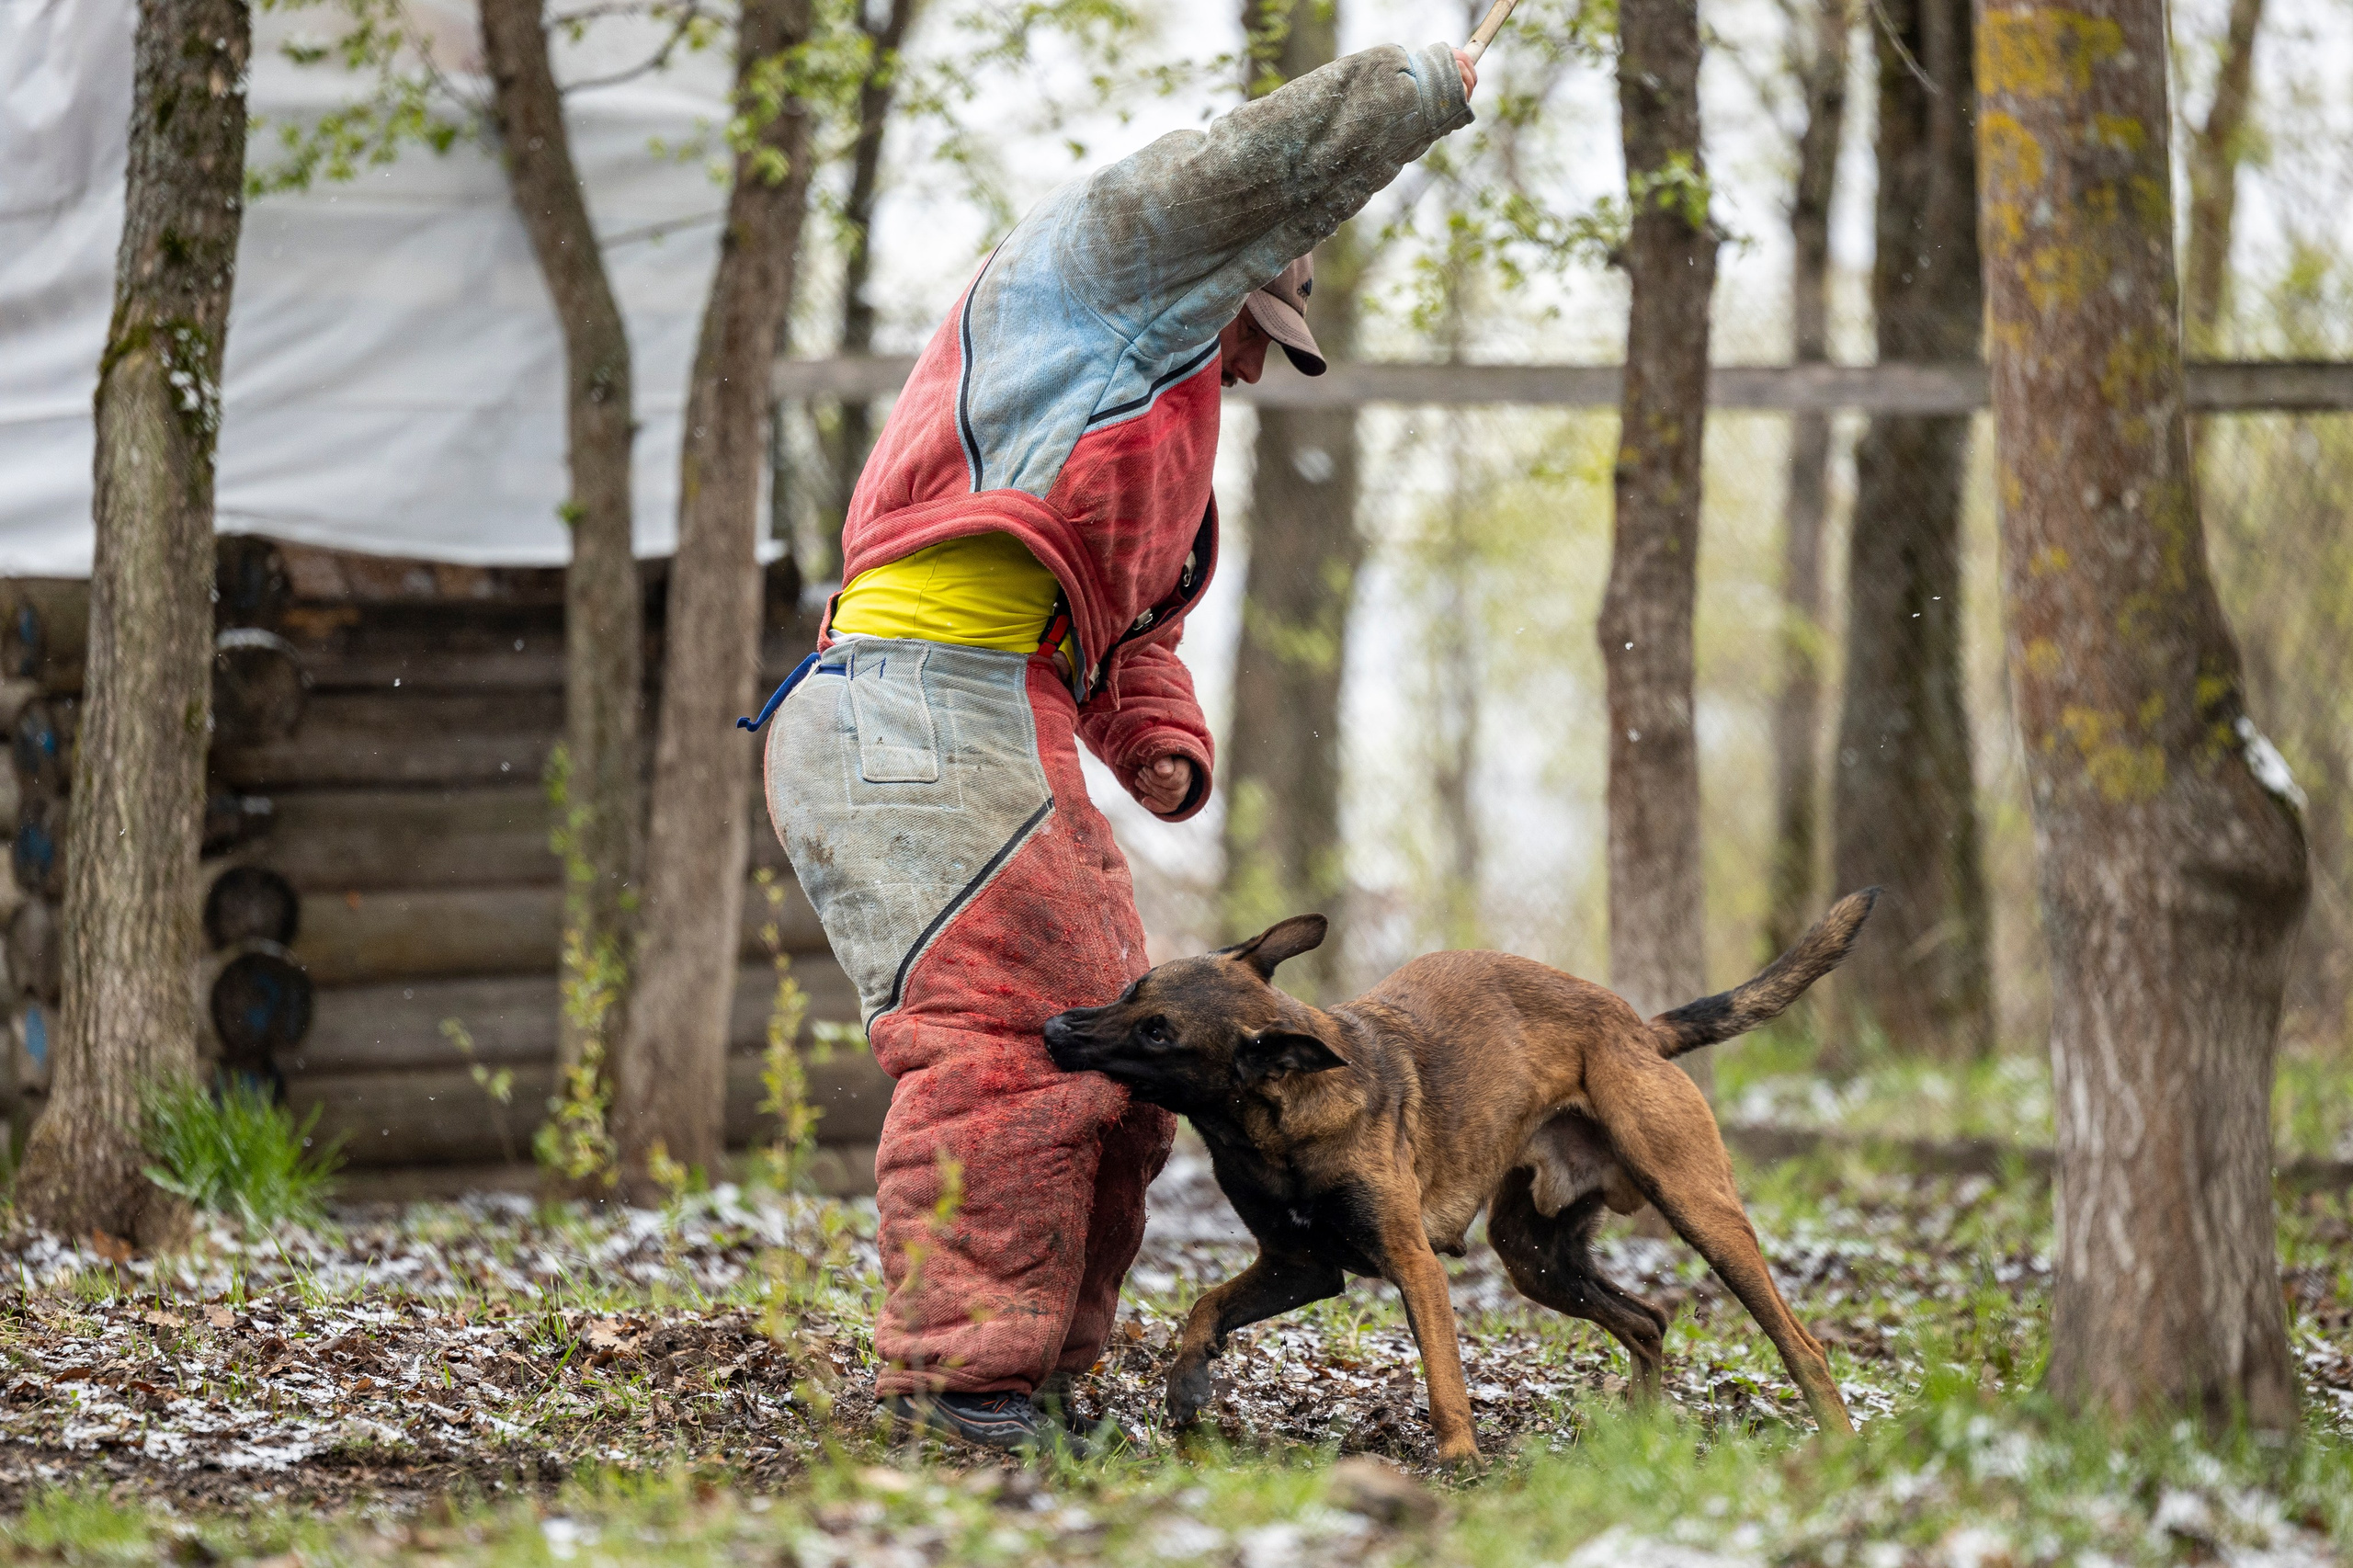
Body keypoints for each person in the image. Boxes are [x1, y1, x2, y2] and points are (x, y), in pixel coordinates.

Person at [760, 40, 1479, 1451]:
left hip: (988, 705)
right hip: (920, 701)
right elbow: (1264, 164)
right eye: (1252, 320)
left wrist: (1157, 737)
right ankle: (965, 1386)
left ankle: (1034, 1370)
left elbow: (1130, 633)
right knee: (1013, 1046)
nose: (1256, 360)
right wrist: (1421, 85)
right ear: (1218, 271)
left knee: (1131, 1059)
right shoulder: (1091, 275)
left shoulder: (1151, 432)